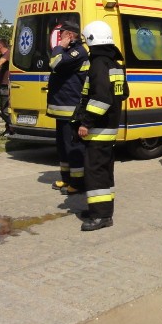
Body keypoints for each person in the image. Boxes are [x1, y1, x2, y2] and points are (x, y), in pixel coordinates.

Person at [75, 21, 128, 231]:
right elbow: (123, 93)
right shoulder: (114, 63)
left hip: (98, 129)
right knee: (104, 170)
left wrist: (86, 122)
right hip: (110, 126)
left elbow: (101, 99)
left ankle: (101, 216)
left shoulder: (98, 64)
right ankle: (101, 208)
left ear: (91, 40)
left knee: (95, 171)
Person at [46, 21, 89, 195]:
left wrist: (60, 46)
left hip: (70, 108)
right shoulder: (68, 51)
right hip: (61, 108)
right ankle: (66, 178)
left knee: (73, 147)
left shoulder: (78, 51)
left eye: (62, 34)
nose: (60, 37)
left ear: (70, 35)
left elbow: (55, 63)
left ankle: (77, 182)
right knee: (63, 147)